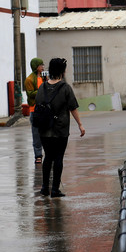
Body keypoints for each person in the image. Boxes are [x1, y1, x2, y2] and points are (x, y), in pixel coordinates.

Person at [35, 58, 85, 198]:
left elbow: (37, 104)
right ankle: (55, 189)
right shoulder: (65, 88)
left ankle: (45, 188)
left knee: (47, 157)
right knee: (58, 158)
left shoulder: (42, 87)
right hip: (60, 129)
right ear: (62, 71)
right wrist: (80, 124)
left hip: (44, 129)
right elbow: (73, 108)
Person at [25, 58, 46, 163]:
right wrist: (42, 90)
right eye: (40, 65)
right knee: (36, 133)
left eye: (43, 65)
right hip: (35, 109)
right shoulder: (29, 79)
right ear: (35, 66)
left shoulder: (45, 78)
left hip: (46, 109)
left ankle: (49, 152)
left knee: (47, 132)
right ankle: (38, 155)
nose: (42, 67)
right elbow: (30, 94)